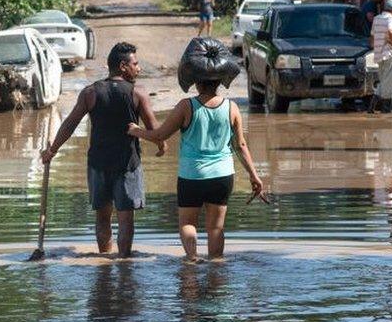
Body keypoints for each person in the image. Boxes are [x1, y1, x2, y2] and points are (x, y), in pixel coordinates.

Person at [41, 42, 165, 257]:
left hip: (98, 164)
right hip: (128, 164)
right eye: (135, 64)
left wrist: (52, 150)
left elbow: (69, 123)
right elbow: (155, 130)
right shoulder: (138, 93)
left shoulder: (90, 92)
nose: (139, 68)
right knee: (126, 219)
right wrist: (161, 144)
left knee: (102, 217)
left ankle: (104, 264)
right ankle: (124, 263)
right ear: (123, 66)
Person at [128, 79, 266, 261]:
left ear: (196, 83)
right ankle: (216, 268)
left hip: (191, 175)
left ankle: (192, 261)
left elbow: (160, 135)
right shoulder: (232, 107)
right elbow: (240, 145)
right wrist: (254, 176)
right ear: (219, 82)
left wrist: (137, 131)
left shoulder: (186, 106)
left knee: (187, 223)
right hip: (222, 176)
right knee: (216, 228)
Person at [369, 0, 392, 114]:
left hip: (379, 54)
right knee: (389, 82)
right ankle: (386, 109)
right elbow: (391, 32)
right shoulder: (390, 19)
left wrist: (375, 47)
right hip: (389, 54)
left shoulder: (376, 19)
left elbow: (372, 36)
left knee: (383, 80)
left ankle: (372, 106)